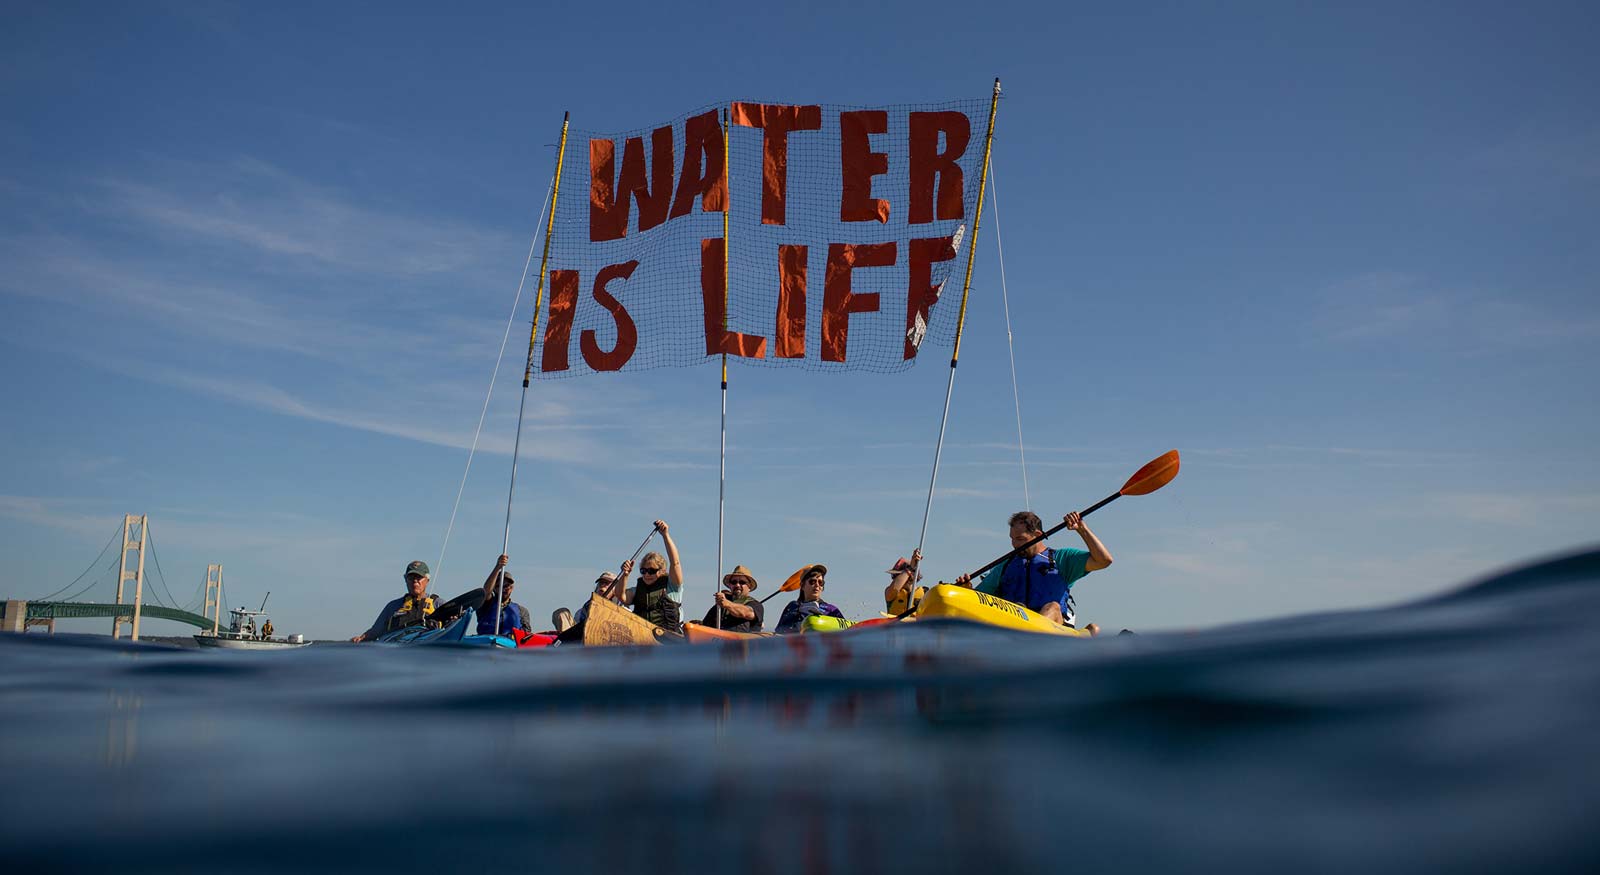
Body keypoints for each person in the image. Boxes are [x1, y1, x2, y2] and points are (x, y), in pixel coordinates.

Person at [955, 510, 1112, 625]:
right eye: (1012, 539)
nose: (1014, 545)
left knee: (1053, 606)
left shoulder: (1062, 559)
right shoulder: (1005, 566)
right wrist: (967, 590)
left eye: (1020, 539)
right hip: (1015, 625)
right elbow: (979, 601)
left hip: (1052, 627)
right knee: (1017, 608)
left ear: (1037, 535)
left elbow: (1104, 560)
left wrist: (1081, 529)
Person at [351, 560, 439, 642]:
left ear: (427, 580)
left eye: (419, 578)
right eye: (411, 578)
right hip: (397, 649)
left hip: (427, 647)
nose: (415, 581)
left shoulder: (438, 603)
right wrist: (360, 638)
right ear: (405, 580)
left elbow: (451, 625)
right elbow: (375, 631)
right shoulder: (393, 606)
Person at [622, 519, 685, 632]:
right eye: (643, 571)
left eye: (651, 571)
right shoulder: (638, 590)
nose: (647, 574)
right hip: (643, 639)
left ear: (662, 571)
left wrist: (665, 535)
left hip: (668, 640)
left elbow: (675, 562)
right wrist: (625, 575)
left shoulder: (672, 586)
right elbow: (622, 597)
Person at [775, 565, 846, 634]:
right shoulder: (792, 607)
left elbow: (847, 633)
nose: (817, 585)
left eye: (820, 582)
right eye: (812, 581)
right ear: (802, 586)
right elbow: (779, 633)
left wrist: (821, 620)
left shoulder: (832, 610)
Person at [477, 554, 534, 637]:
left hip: (510, 647)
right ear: (494, 588)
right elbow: (486, 592)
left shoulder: (522, 611)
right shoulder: (485, 605)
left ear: (512, 588)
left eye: (506, 586)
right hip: (486, 646)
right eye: (499, 586)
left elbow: (527, 635)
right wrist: (498, 567)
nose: (503, 589)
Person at [702, 565, 763, 632]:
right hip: (716, 640)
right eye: (734, 582)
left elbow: (747, 612)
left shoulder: (756, 605)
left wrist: (727, 604)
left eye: (742, 582)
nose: (737, 585)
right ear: (730, 585)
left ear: (749, 586)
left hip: (743, 641)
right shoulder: (719, 606)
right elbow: (704, 625)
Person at [884, 549, 927, 614]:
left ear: (911, 576)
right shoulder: (889, 592)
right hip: (897, 624)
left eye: (896, 575)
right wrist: (911, 568)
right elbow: (894, 589)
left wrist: (910, 569)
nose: (894, 579)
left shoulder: (925, 594)